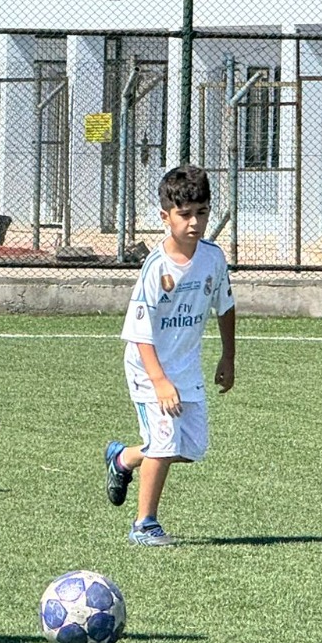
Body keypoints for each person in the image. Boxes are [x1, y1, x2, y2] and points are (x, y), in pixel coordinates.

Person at [104, 164, 236, 546]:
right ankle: (144, 524)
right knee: (163, 444)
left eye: (202, 212)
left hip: (186, 365)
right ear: (166, 217)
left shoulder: (212, 258)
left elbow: (224, 306)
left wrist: (228, 357)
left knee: (191, 449)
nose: (194, 223)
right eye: (185, 215)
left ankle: (124, 458)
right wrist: (159, 381)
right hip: (149, 368)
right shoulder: (156, 267)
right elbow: (139, 332)